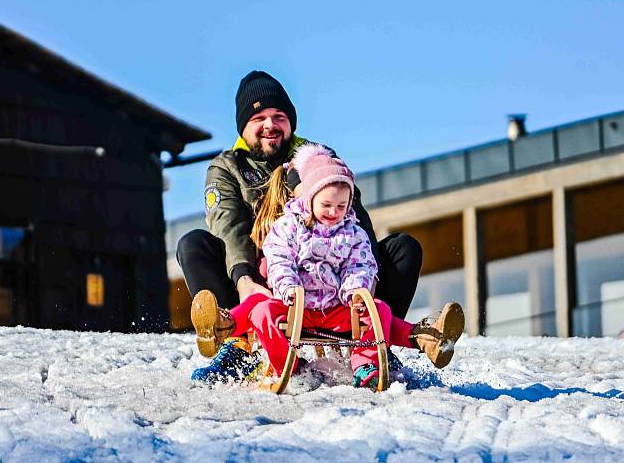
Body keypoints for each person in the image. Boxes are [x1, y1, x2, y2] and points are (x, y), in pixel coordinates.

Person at [177, 70, 423, 380]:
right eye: (259, 118)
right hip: (263, 279)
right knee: (193, 244)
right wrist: (244, 278)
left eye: (279, 116)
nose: (270, 125)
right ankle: (236, 345)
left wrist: (365, 277)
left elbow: (354, 217)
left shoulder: (319, 158)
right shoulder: (228, 167)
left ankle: (374, 341)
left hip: (334, 281)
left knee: (404, 248)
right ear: (243, 126)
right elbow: (227, 225)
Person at [190, 144, 464, 388]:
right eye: (327, 204)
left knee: (378, 310)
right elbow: (278, 256)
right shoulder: (289, 226)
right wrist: (287, 286)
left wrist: (356, 291)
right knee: (261, 311)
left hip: (336, 308)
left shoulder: (352, 232)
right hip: (293, 304)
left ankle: (373, 360)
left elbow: (361, 263)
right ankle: (259, 348)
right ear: (308, 198)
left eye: (341, 205)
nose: (334, 212)